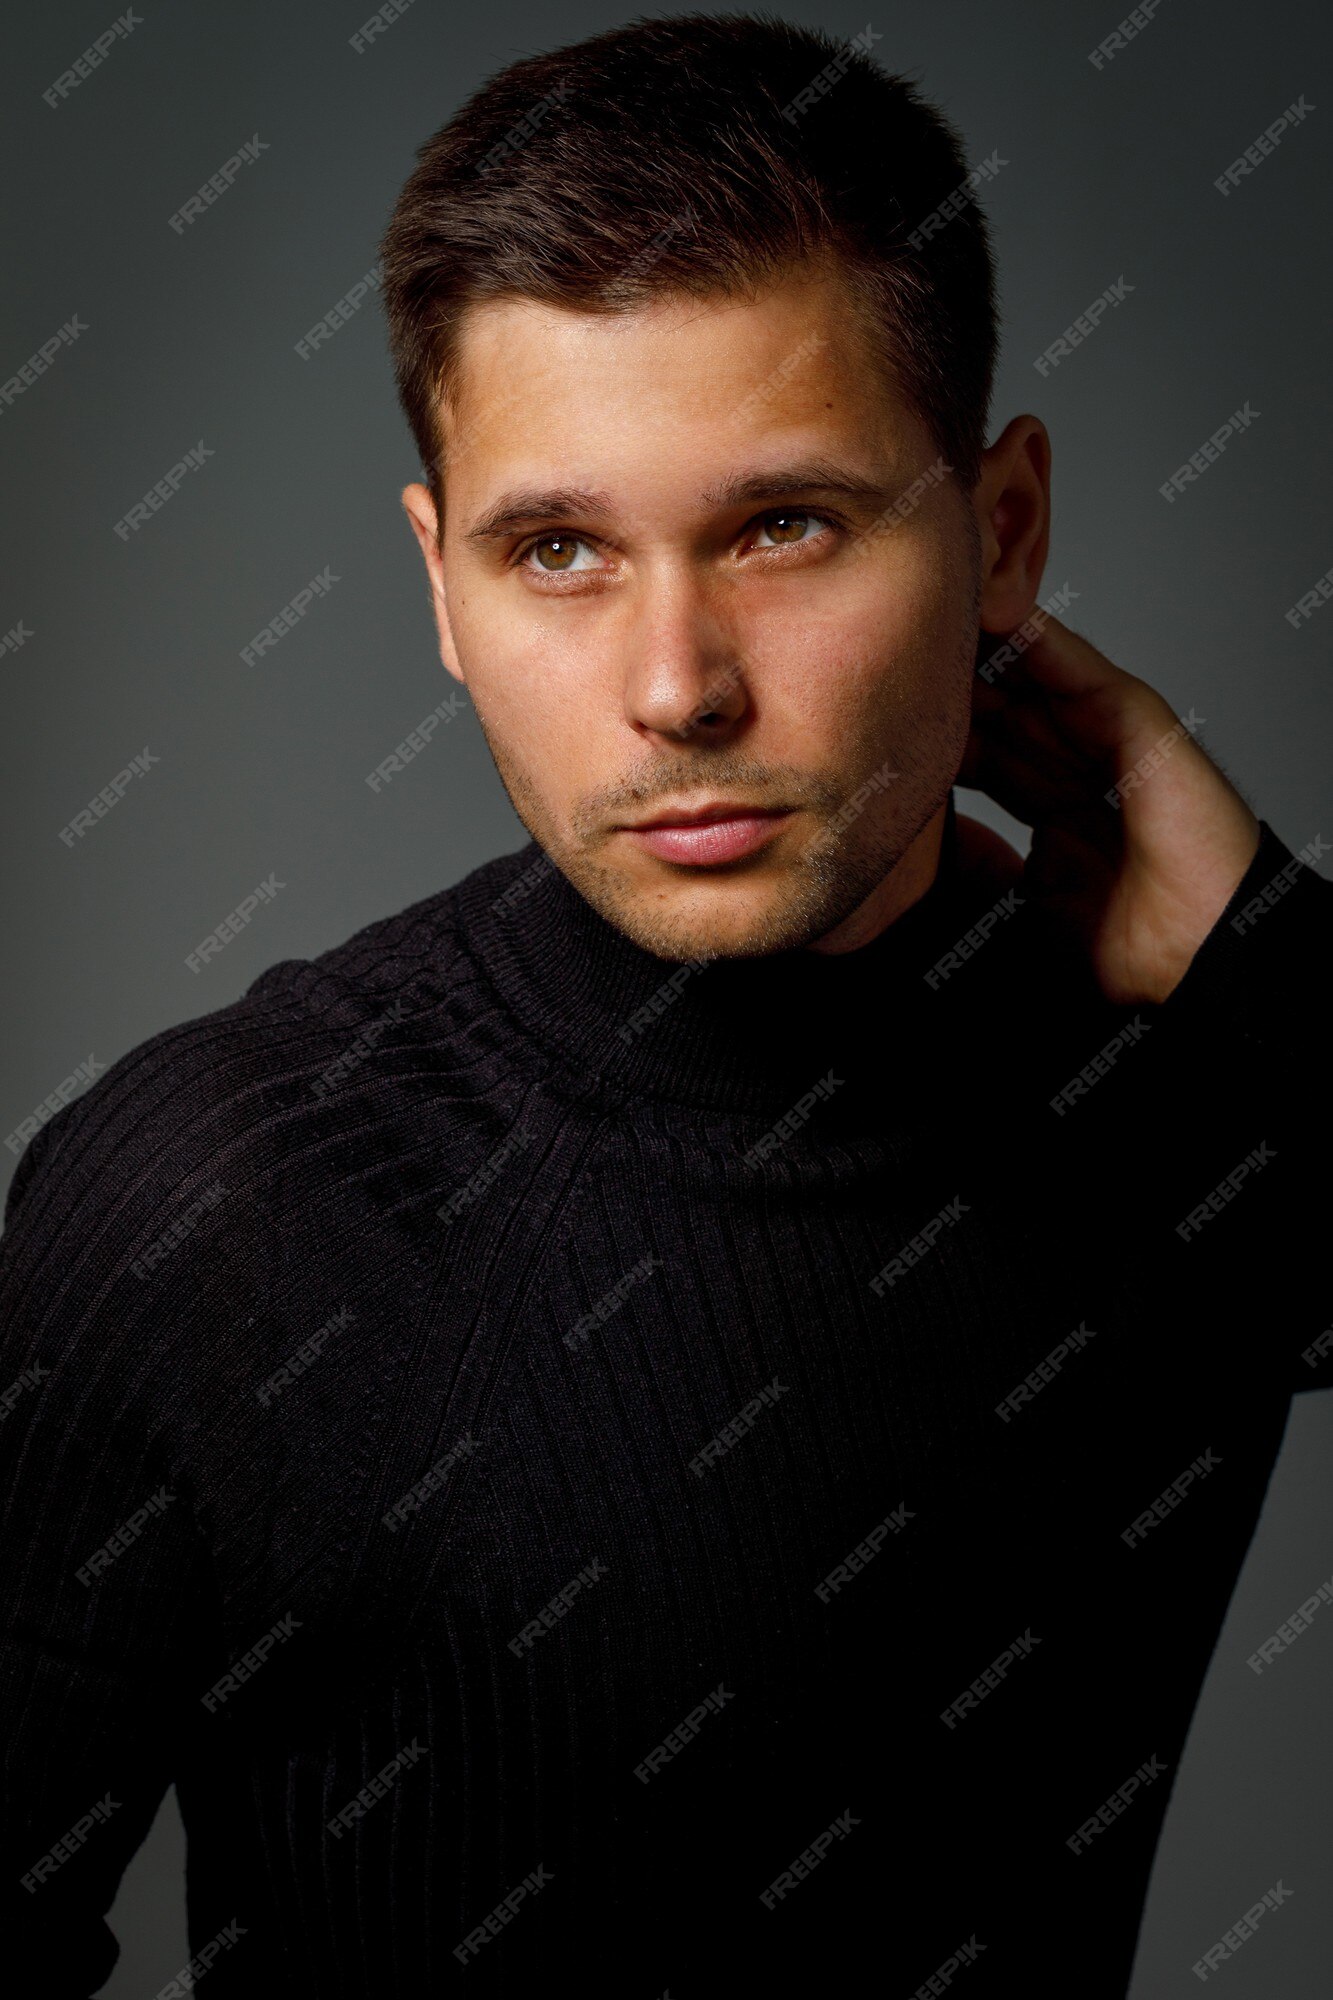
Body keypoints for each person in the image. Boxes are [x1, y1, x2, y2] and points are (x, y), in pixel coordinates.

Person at [2, 14, 1327, 1996]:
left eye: (779, 525)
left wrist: (1260, 945)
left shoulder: (1200, 1100)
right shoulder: (215, 1204)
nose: (679, 686)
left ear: (1004, 531)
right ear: (440, 585)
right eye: (559, 551)